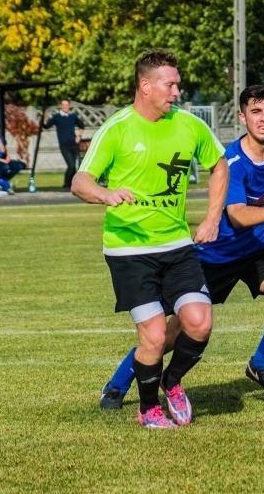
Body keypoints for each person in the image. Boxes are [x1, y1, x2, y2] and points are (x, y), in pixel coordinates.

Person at [98, 84, 264, 410]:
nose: (263, 118)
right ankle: (117, 384)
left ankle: (259, 365)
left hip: (258, 249)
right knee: (170, 333)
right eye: (255, 112)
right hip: (216, 255)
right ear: (242, 117)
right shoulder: (233, 161)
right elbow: (238, 216)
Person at [72, 49, 229, 428]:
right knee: (155, 336)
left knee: (199, 323)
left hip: (177, 246)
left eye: (177, 84)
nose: (177, 91)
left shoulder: (190, 125)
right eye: (170, 84)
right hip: (129, 251)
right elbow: (80, 181)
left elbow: (219, 165)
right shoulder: (118, 128)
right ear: (145, 86)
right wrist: (106, 194)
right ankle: (148, 410)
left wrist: (212, 219)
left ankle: (170, 382)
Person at [43, 99, 86, 190]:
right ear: (61, 106)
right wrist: (44, 117)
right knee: (71, 165)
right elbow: (46, 126)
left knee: (73, 167)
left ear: (69, 106)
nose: (65, 106)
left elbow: (82, 126)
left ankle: (72, 186)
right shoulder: (57, 117)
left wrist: (79, 136)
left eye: (67, 105)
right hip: (64, 145)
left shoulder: (73, 116)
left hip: (74, 144)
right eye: (63, 105)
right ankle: (66, 185)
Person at [0, 120, 27, 194]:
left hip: (2, 159)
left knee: (18, 166)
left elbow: (3, 151)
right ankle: (6, 185)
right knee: (5, 167)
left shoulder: (0, 138)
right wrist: (3, 161)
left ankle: (3, 183)